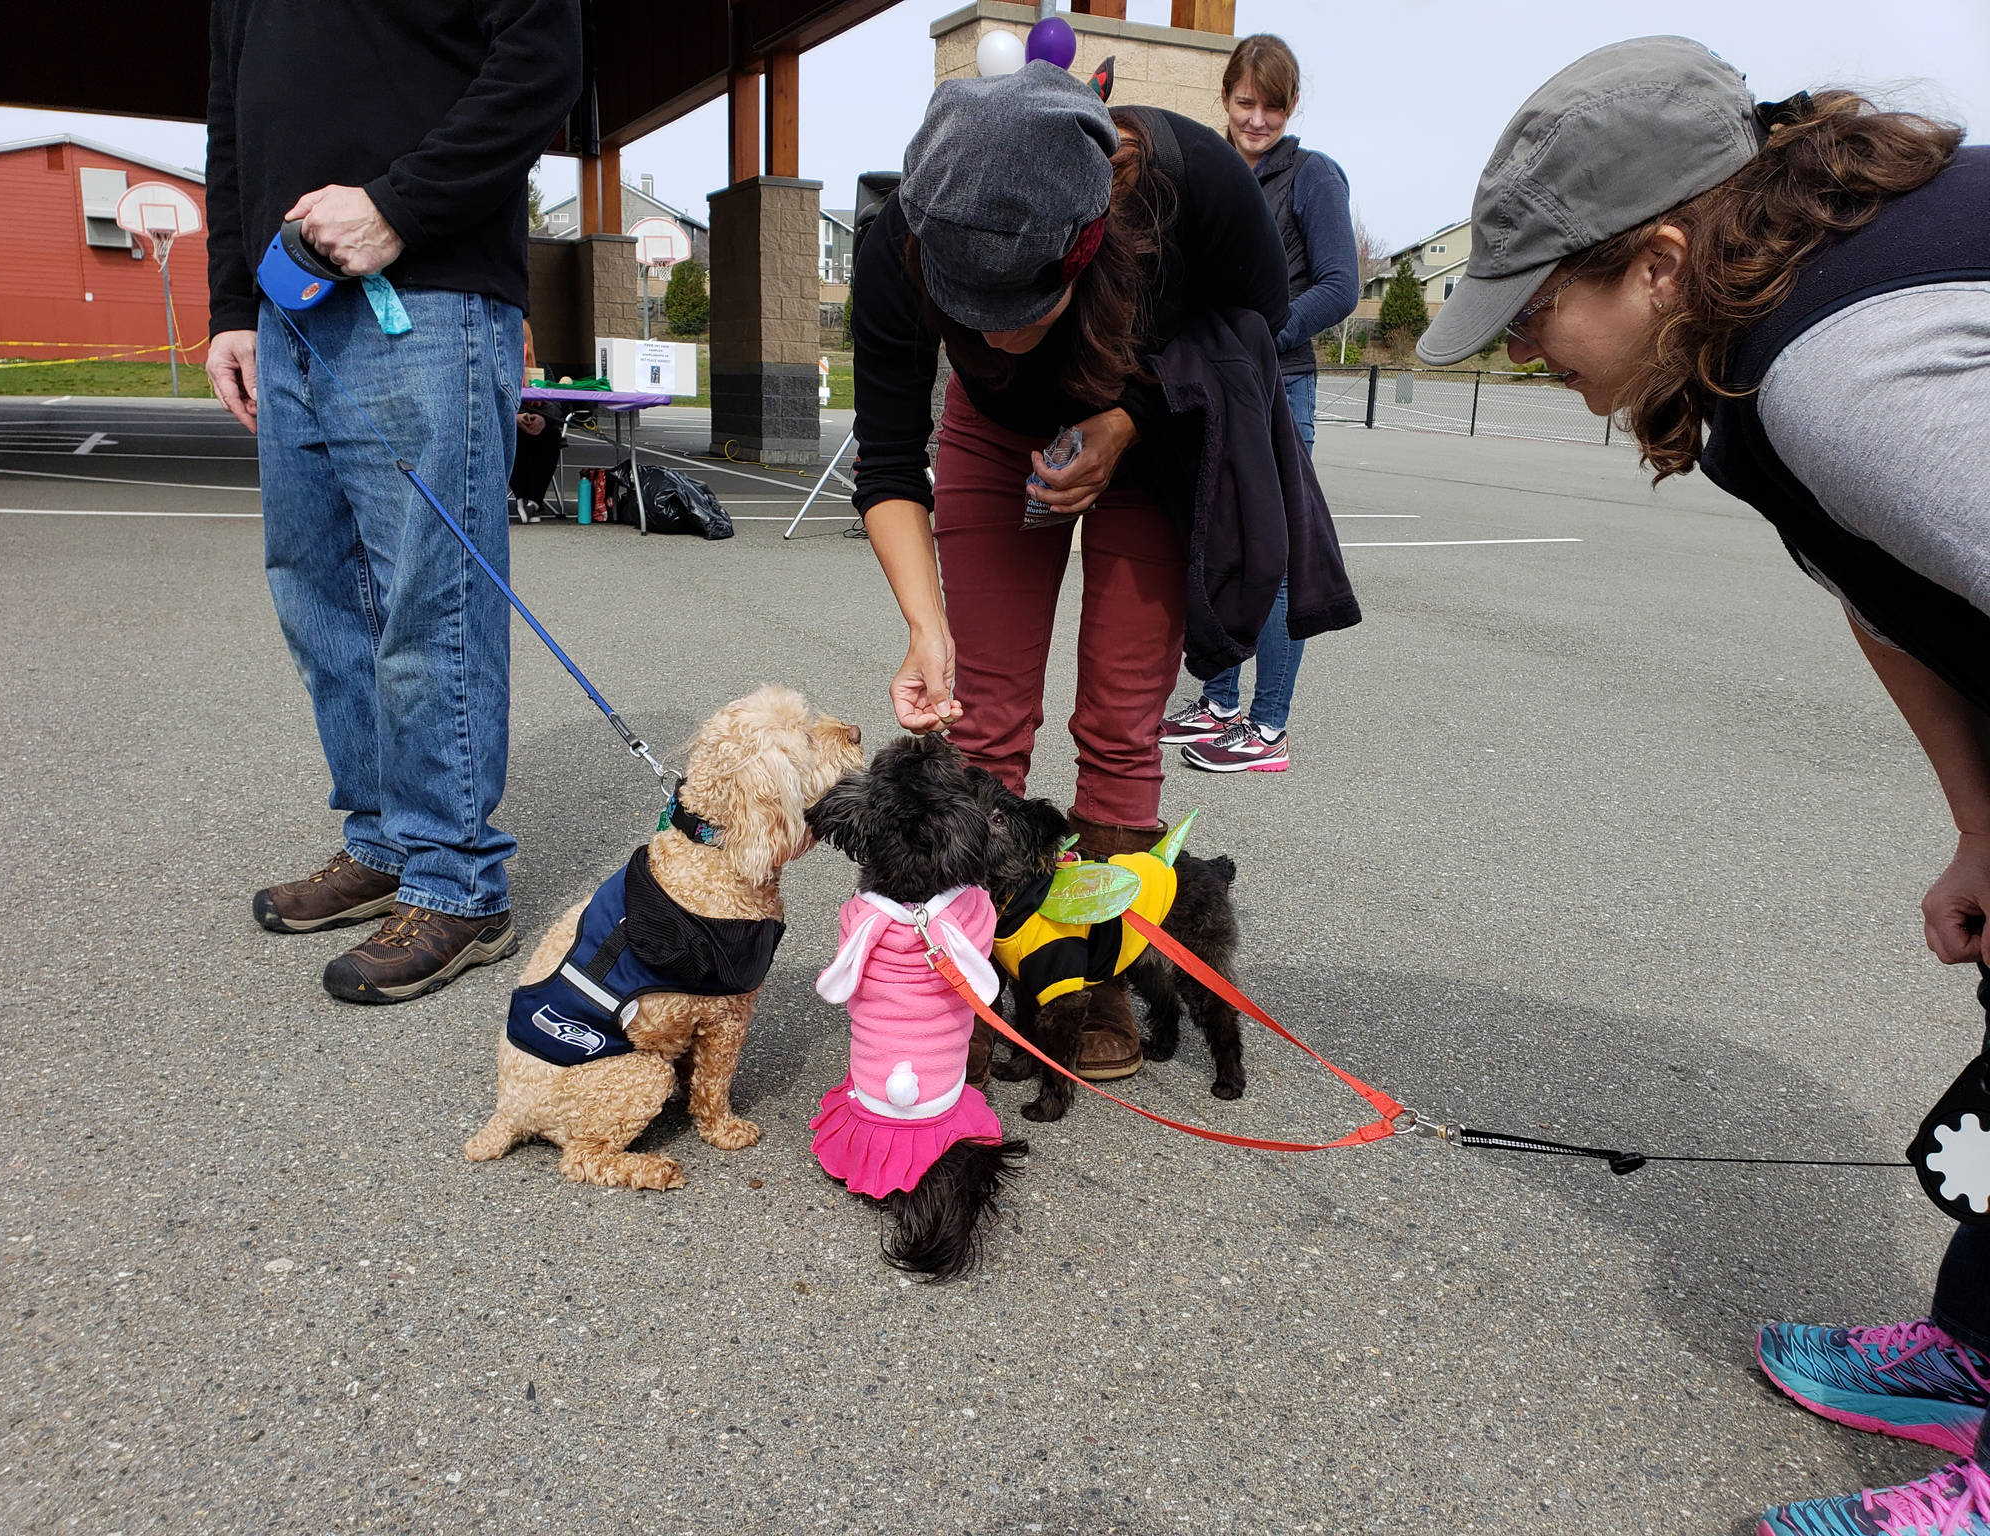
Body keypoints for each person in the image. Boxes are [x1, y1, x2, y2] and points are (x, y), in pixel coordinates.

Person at [1417, 36, 1990, 1534]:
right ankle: (1983, 1351)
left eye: (1542, 306)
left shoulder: (1844, 375)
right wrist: (1983, 823)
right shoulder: (1759, 368)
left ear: (1661, 261)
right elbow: (1884, 588)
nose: (1526, 346)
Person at [850, 62, 1355, 1085]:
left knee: (1121, 719)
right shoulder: (892, 239)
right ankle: (974, 963)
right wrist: (923, 626)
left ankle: (1095, 980)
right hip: (992, 447)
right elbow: (890, 461)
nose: (990, 334)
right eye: (966, 305)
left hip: (1152, 433)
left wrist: (1124, 421)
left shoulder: (1191, 187)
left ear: (1087, 245)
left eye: (1019, 304)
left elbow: (1247, 348)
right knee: (980, 712)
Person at [204, 0, 578, 1003]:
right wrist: (233, 305)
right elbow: (232, 119)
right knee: (315, 589)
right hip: (285, 309)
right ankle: (382, 841)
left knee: (430, 599)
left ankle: (457, 881)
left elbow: (543, 57)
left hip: (428, 292)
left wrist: (400, 205)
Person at [1163, 33, 1357, 776]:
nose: (1257, 120)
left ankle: (1267, 726)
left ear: (1291, 104)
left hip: (1279, 386)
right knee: (1217, 538)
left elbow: (1340, 284)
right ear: (1226, 97)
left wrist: (1262, 333)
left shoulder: (1311, 177)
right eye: (1246, 103)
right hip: (1210, 385)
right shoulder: (1206, 168)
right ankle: (1218, 703)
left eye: (1272, 106)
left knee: (1271, 556)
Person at [511, 320, 567, 521]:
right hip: (513, 423)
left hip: (540, 425)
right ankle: (523, 498)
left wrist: (543, 418)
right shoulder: (500, 369)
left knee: (552, 436)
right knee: (512, 436)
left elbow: (556, 404)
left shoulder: (543, 369)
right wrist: (514, 418)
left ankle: (533, 501)